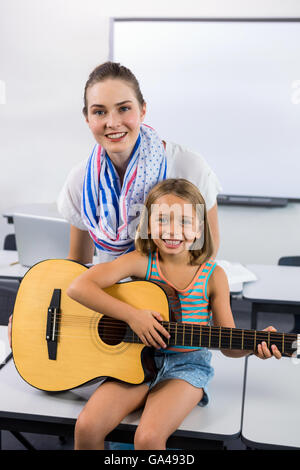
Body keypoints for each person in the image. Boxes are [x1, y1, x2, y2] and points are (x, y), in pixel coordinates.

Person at [67, 178, 281, 451]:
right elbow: (78, 287)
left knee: (147, 439)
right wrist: (133, 316)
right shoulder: (138, 262)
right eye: (162, 220)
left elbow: (228, 344)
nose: (172, 231)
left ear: (200, 228)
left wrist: (254, 346)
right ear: (147, 224)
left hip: (186, 368)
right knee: (86, 427)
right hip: (134, 361)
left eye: (184, 222)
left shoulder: (213, 276)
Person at [57, 61, 222, 265]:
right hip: (110, 291)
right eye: (99, 112)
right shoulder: (81, 179)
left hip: (174, 294)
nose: (113, 123)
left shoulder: (188, 167)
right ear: (87, 118)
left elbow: (206, 254)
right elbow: (78, 263)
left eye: (124, 108)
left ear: (142, 110)